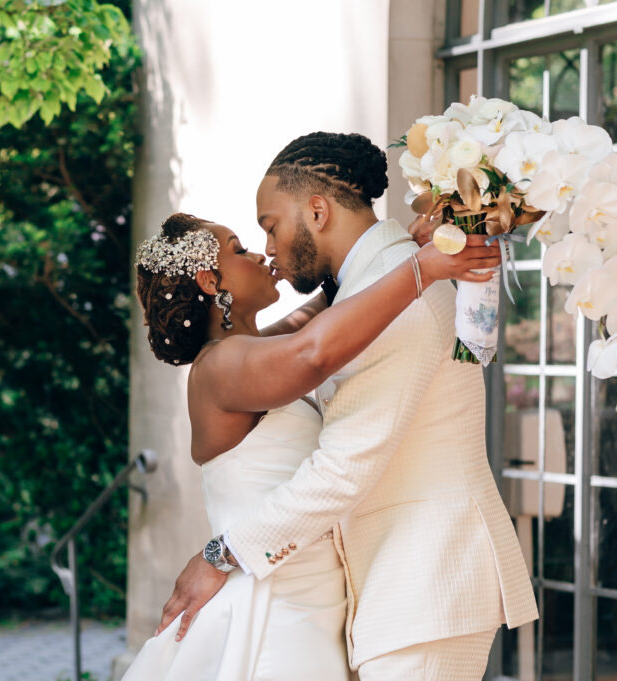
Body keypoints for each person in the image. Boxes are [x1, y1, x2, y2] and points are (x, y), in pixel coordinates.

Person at [148, 133, 539, 681]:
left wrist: (219, 555)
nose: (268, 248)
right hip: (367, 594)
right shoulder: (252, 353)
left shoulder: (390, 295)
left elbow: (339, 459)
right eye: (250, 241)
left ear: (316, 210)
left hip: (425, 583)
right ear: (210, 282)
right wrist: (422, 256)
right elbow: (311, 346)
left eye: (268, 226)